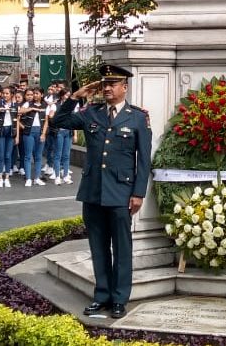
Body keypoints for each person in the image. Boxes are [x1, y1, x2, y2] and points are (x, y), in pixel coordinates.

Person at [50, 64, 152, 320]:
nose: (107, 88)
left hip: (121, 193)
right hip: (93, 192)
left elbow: (144, 160)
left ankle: (119, 299)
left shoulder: (137, 117)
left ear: (124, 87)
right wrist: (75, 96)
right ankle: (102, 295)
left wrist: (138, 193)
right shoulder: (91, 113)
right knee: (98, 247)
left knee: (121, 247)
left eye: (112, 84)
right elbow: (59, 122)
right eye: (104, 83)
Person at [18, 87, 48, 186]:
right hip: (29, 131)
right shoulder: (28, 104)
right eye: (34, 93)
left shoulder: (45, 105)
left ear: (42, 95)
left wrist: (43, 134)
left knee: (38, 156)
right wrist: (31, 108)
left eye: (37, 93)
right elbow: (20, 112)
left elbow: (46, 121)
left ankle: (37, 178)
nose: (35, 95)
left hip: (40, 131)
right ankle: (28, 178)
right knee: (28, 155)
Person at [0, 88, 17, 188]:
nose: (5, 95)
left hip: (11, 131)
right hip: (1, 130)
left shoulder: (15, 105)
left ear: (11, 95)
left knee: (8, 155)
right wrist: (1, 109)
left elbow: (17, 119)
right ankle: (0, 177)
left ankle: (7, 177)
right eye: (3, 93)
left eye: (7, 93)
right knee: (0, 155)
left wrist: (17, 136)